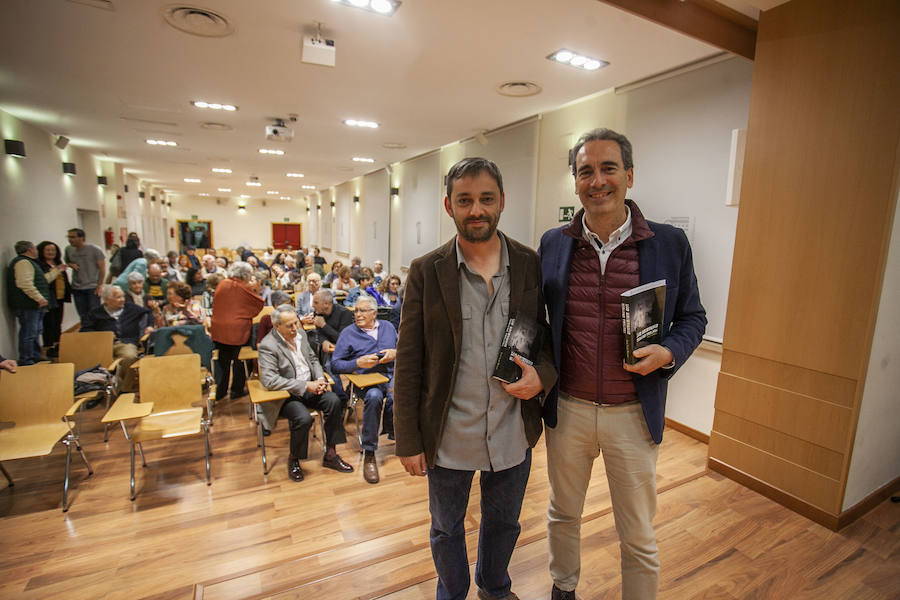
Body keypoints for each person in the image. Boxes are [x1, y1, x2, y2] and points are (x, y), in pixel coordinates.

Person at [539, 129, 707, 600]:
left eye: (608, 168)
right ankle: (563, 588)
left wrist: (669, 352)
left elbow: (694, 316)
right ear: (575, 182)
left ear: (629, 176)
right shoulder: (554, 243)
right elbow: (537, 319)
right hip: (567, 411)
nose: (598, 180)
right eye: (585, 171)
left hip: (632, 414)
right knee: (562, 513)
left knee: (638, 534)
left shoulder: (669, 244)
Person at [394, 157, 557, 600]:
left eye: (486, 198)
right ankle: (452, 591)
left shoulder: (528, 263)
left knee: (504, 522)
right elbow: (408, 361)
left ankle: (494, 585)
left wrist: (541, 378)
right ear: (449, 206)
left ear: (502, 201)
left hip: (511, 431)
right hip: (448, 436)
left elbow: (544, 338)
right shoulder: (426, 271)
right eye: (465, 200)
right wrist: (407, 439)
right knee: (447, 529)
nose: (476, 209)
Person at [257, 305, 355, 482]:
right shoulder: (267, 346)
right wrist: (305, 385)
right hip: (286, 395)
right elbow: (270, 381)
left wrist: (319, 379)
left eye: (296, 323)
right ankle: (294, 458)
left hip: (311, 386)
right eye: (290, 326)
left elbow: (312, 359)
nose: (295, 328)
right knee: (303, 418)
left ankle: (331, 454)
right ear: (276, 326)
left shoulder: (301, 335)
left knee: (334, 401)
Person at [331, 294, 397, 484]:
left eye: (362, 311)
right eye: (356, 311)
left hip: (390, 377)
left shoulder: (388, 327)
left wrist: (395, 352)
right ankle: (369, 452)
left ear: (374, 313)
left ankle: (396, 434)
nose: (357, 314)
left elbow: (404, 347)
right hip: (365, 381)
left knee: (400, 394)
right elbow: (335, 364)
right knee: (375, 396)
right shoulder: (348, 333)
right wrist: (356, 362)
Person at [81, 284, 154, 392]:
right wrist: (101, 336)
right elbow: (85, 330)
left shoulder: (130, 308)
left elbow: (148, 312)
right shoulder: (95, 313)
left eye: (123, 296)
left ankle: (123, 389)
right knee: (90, 361)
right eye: (118, 297)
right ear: (107, 300)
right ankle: (98, 389)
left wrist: (149, 326)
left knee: (129, 357)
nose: (122, 300)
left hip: (126, 342)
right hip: (103, 344)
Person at [209, 261, 264, 402]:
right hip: (238, 330)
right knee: (241, 360)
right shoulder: (242, 287)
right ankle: (236, 390)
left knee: (223, 361)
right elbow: (258, 304)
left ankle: (220, 391)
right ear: (245, 275)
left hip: (219, 329)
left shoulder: (222, 284)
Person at [6, 241, 65, 365]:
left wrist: (56, 271)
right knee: (29, 332)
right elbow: (24, 284)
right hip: (28, 305)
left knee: (35, 331)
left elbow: (43, 280)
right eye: (35, 248)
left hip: (33, 305)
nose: (37, 251)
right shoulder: (23, 262)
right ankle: (26, 359)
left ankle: (35, 355)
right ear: (30, 250)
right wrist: (39, 298)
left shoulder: (31, 263)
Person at [36, 240, 71, 356]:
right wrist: (57, 270)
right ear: (41, 251)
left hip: (59, 297)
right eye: (48, 250)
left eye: (53, 250)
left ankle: (57, 345)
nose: (51, 252)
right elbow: (45, 280)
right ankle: (48, 347)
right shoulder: (40, 265)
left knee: (57, 322)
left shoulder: (57, 263)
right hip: (49, 298)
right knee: (48, 323)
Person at [64, 228, 106, 321]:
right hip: (77, 287)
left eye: (73, 237)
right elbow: (67, 261)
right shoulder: (68, 249)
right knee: (82, 315)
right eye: (69, 237)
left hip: (92, 287)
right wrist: (71, 265)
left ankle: (96, 333)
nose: (70, 239)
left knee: (94, 313)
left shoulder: (95, 250)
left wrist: (99, 285)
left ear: (81, 238)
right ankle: (86, 333)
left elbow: (102, 268)